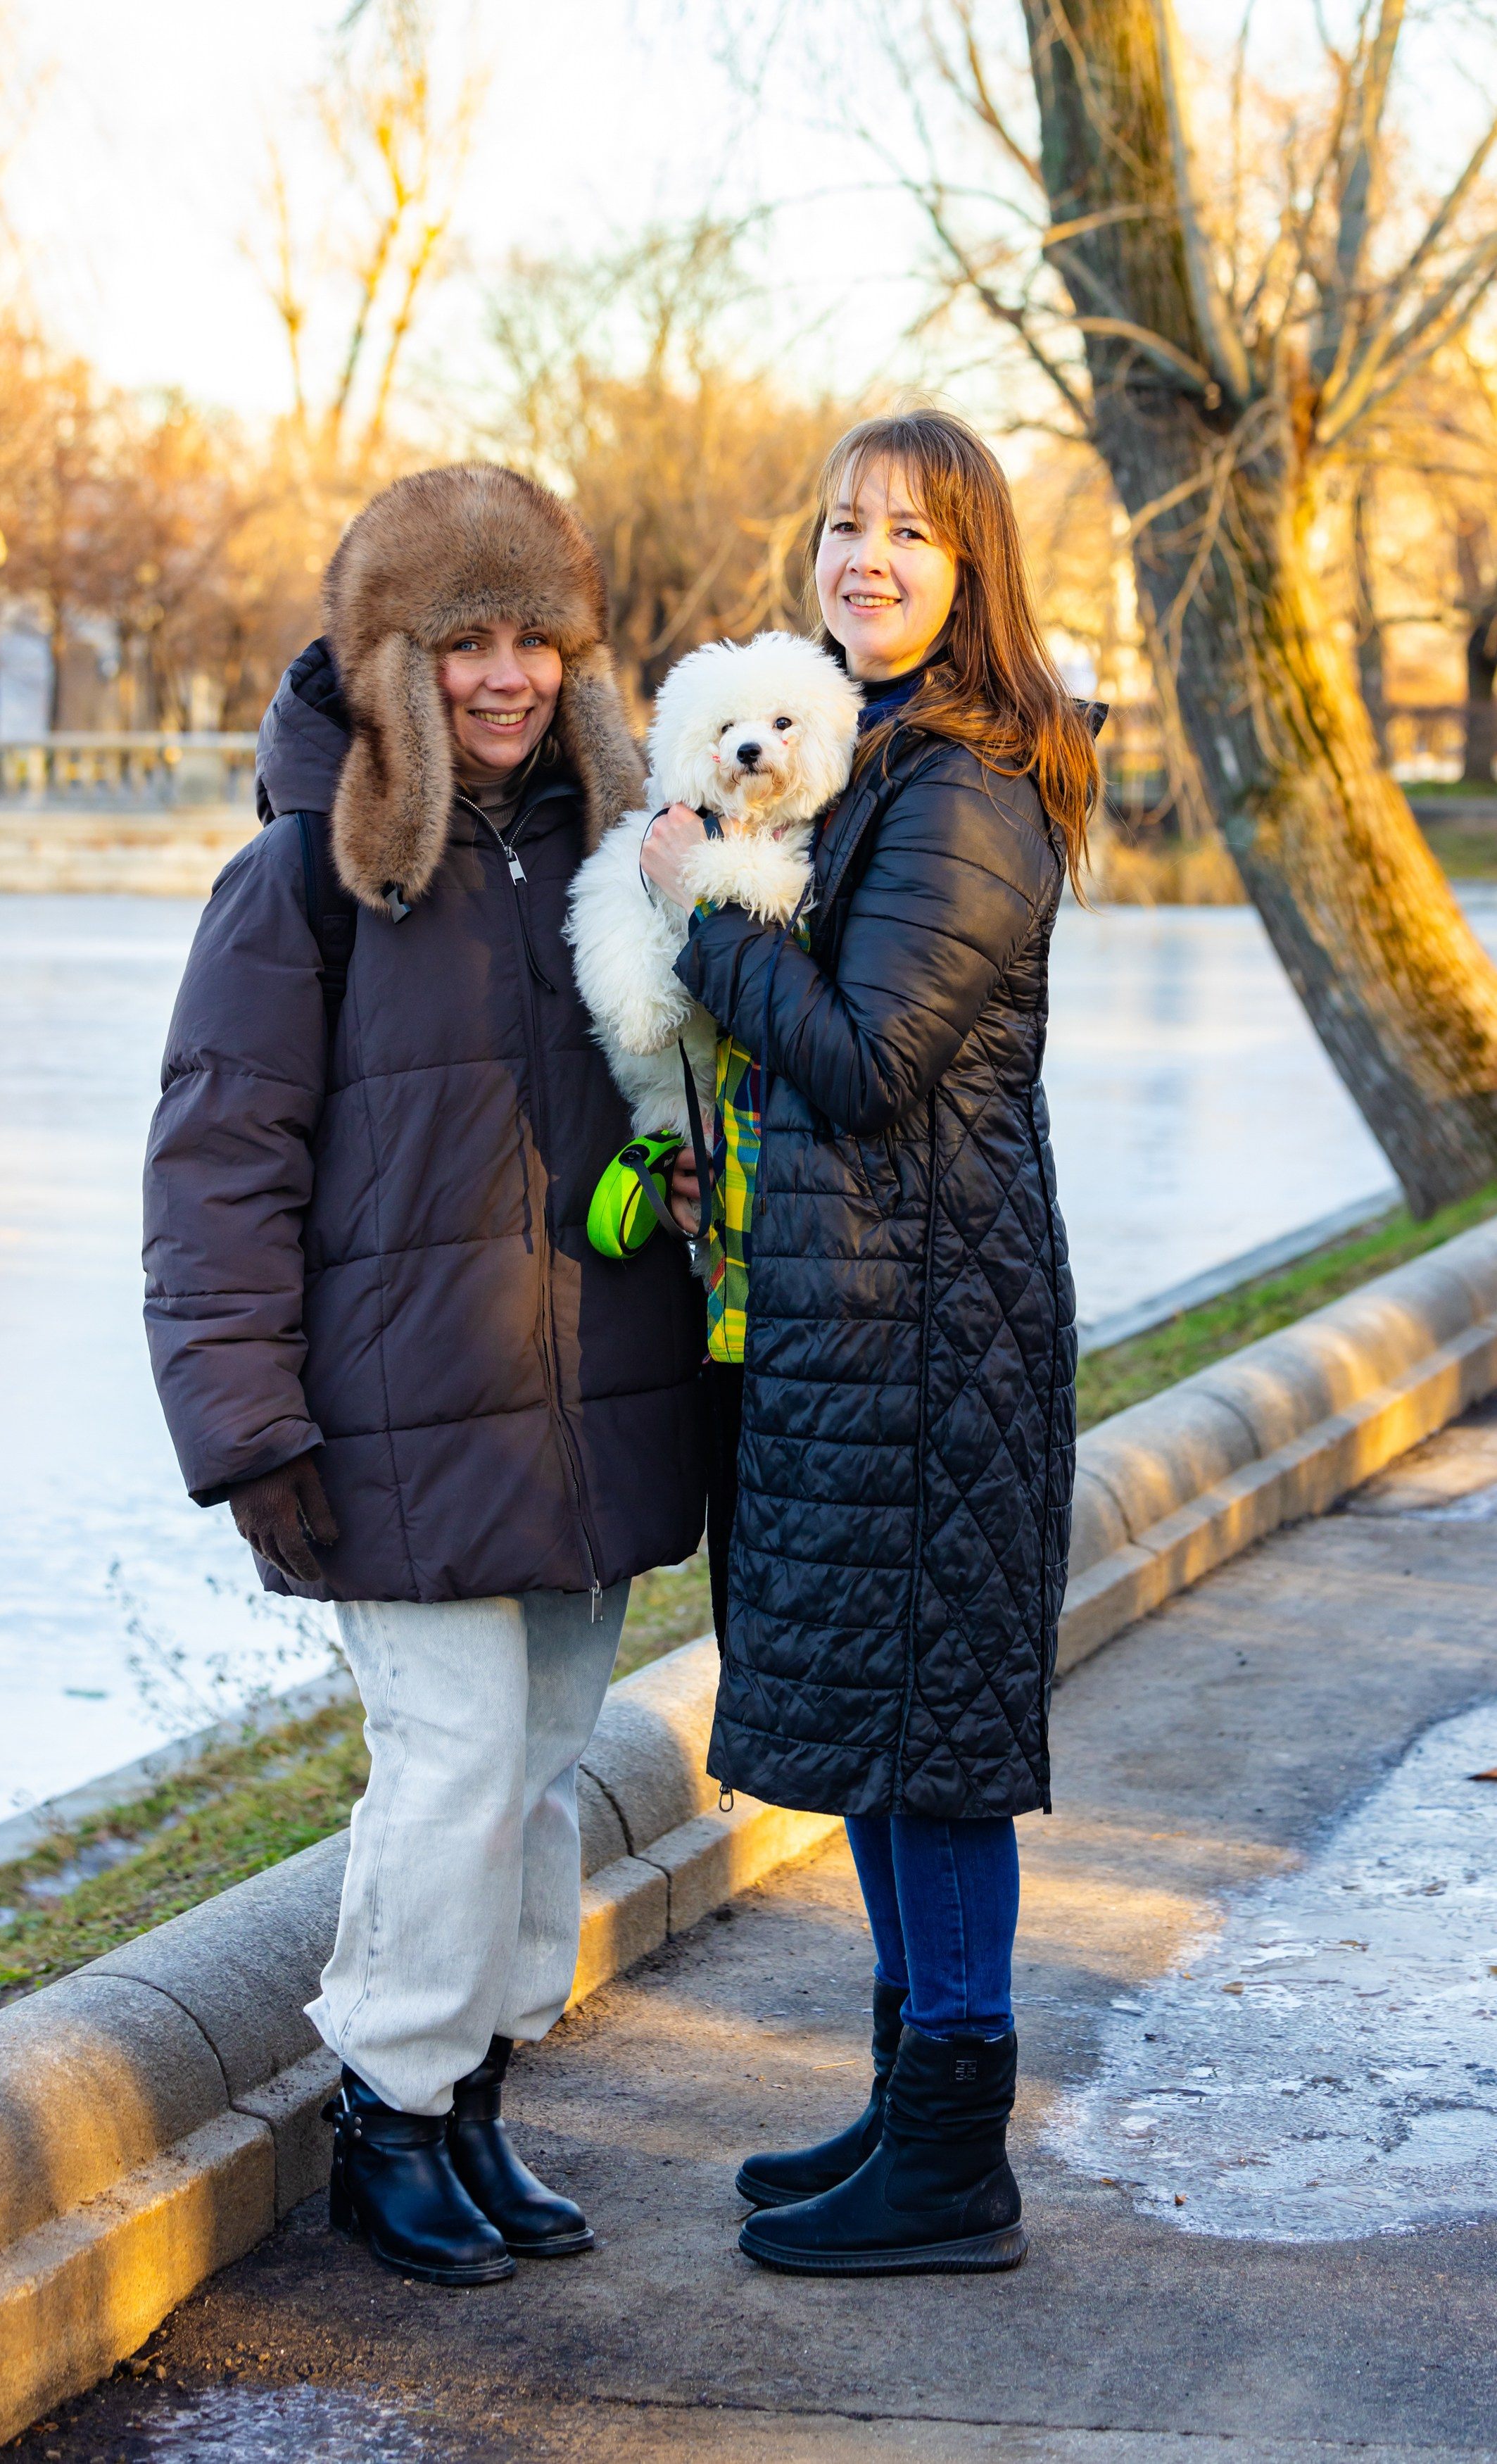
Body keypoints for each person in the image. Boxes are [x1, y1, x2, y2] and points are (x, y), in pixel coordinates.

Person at [144, 463, 706, 2288]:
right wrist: (249, 1434)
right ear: (390, 655)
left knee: (545, 1765)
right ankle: (385, 2108)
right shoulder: (300, 878)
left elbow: (652, 1103)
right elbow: (219, 1164)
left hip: (585, 1405)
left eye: (537, 635)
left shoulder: (613, 853)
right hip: (390, 1429)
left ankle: (472, 2090)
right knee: (453, 1762)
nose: (508, 674)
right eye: (466, 640)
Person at [642, 408, 1099, 2275]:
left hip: (937, 1337)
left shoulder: (969, 787)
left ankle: (955, 2160)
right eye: (844, 529)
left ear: (970, 567)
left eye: (909, 535)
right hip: (868, 1322)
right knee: (893, 1737)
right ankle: (907, 2100)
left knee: (942, 1751)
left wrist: (698, 918)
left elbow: (871, 1053)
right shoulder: (873, 763)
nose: (866, 561)